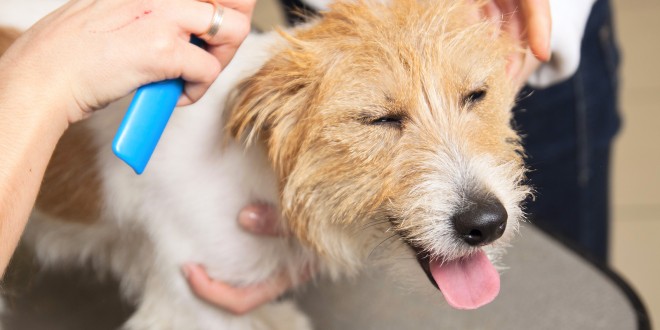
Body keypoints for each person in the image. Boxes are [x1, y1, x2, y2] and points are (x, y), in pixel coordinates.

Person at [0, 0, 553, 318]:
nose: (477, 201)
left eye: (474, 95)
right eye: (384, 120)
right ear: (266, 111)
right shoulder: (215, 163)